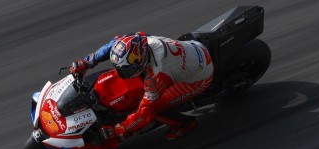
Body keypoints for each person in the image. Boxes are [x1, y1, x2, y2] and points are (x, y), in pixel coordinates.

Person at [70, 32, 214, 142]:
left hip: (199, 77)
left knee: (156, 106)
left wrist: (120, 128)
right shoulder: (140, 41)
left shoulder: (157, 75)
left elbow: (145, 111)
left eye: (126, 70)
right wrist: (87, 62)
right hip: (194, 48)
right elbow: (113, 45)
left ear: (140, 60)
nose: (122, 74)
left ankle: (184, 124)